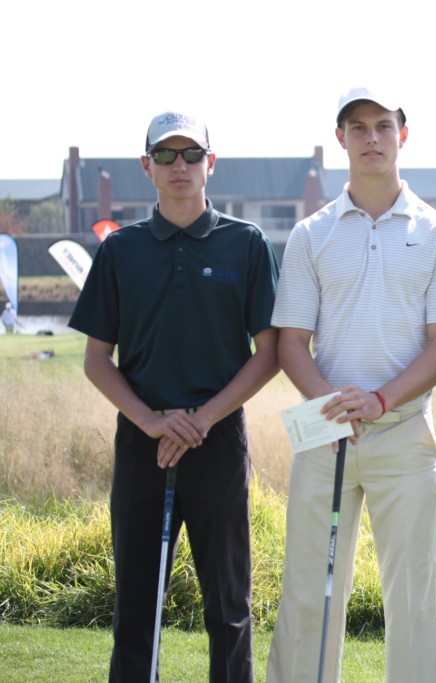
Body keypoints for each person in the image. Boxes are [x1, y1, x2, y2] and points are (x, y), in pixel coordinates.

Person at [266, 85, 436, 683]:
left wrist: (379, 400)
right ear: (341, 138)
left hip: (404, 432)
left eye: (383, 125)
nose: (372, 138)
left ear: (402, 134)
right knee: (308, 590)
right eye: (358, 127)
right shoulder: (311, 234)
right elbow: (291, 342)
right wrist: (332, 404)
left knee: (413, 598)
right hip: (324, 431)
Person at [68, 111, 280, 682]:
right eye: (165, 155)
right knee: (137, 607)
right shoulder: (121, 250)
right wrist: (151, 421)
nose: (179, 166)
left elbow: (268, 353)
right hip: (143, 443)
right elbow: (96, 359)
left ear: (211, 163)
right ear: (147, 166)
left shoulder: (246, 243)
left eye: (191, 154)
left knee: (229, 606)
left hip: (218, 441)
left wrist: (202, 419)